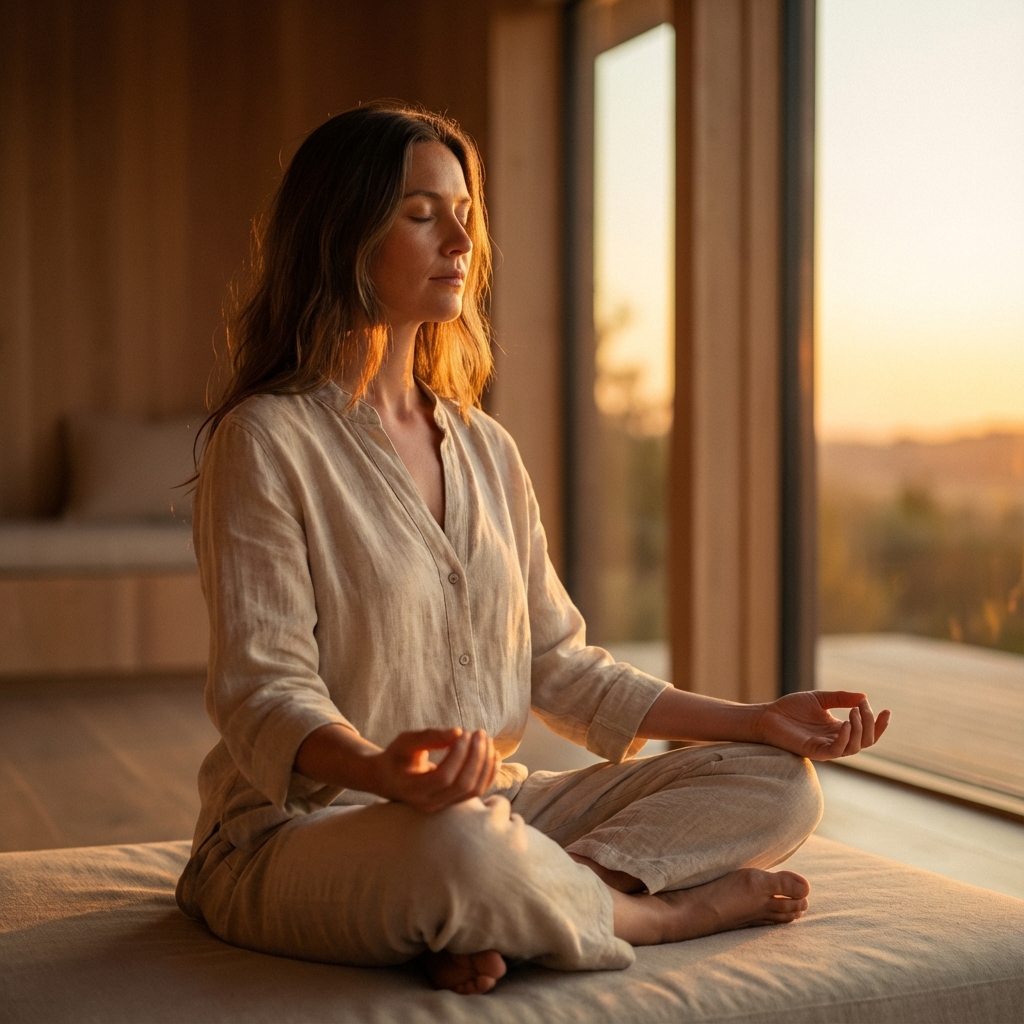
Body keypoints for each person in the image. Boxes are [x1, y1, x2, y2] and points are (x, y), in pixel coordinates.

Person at [175, 102, 890, 996]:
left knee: (780, 784)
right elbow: (262, 692)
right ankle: (651, 912)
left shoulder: (485, 448)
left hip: (490, 811)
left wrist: (755, 720)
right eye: (421, 213)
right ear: (341, 232)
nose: (459, 241)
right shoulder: (266, 440)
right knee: (458, 849)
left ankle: (518, 908)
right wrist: (379, 770)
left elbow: (560, 667)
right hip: (305, 832)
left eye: (465, 216)